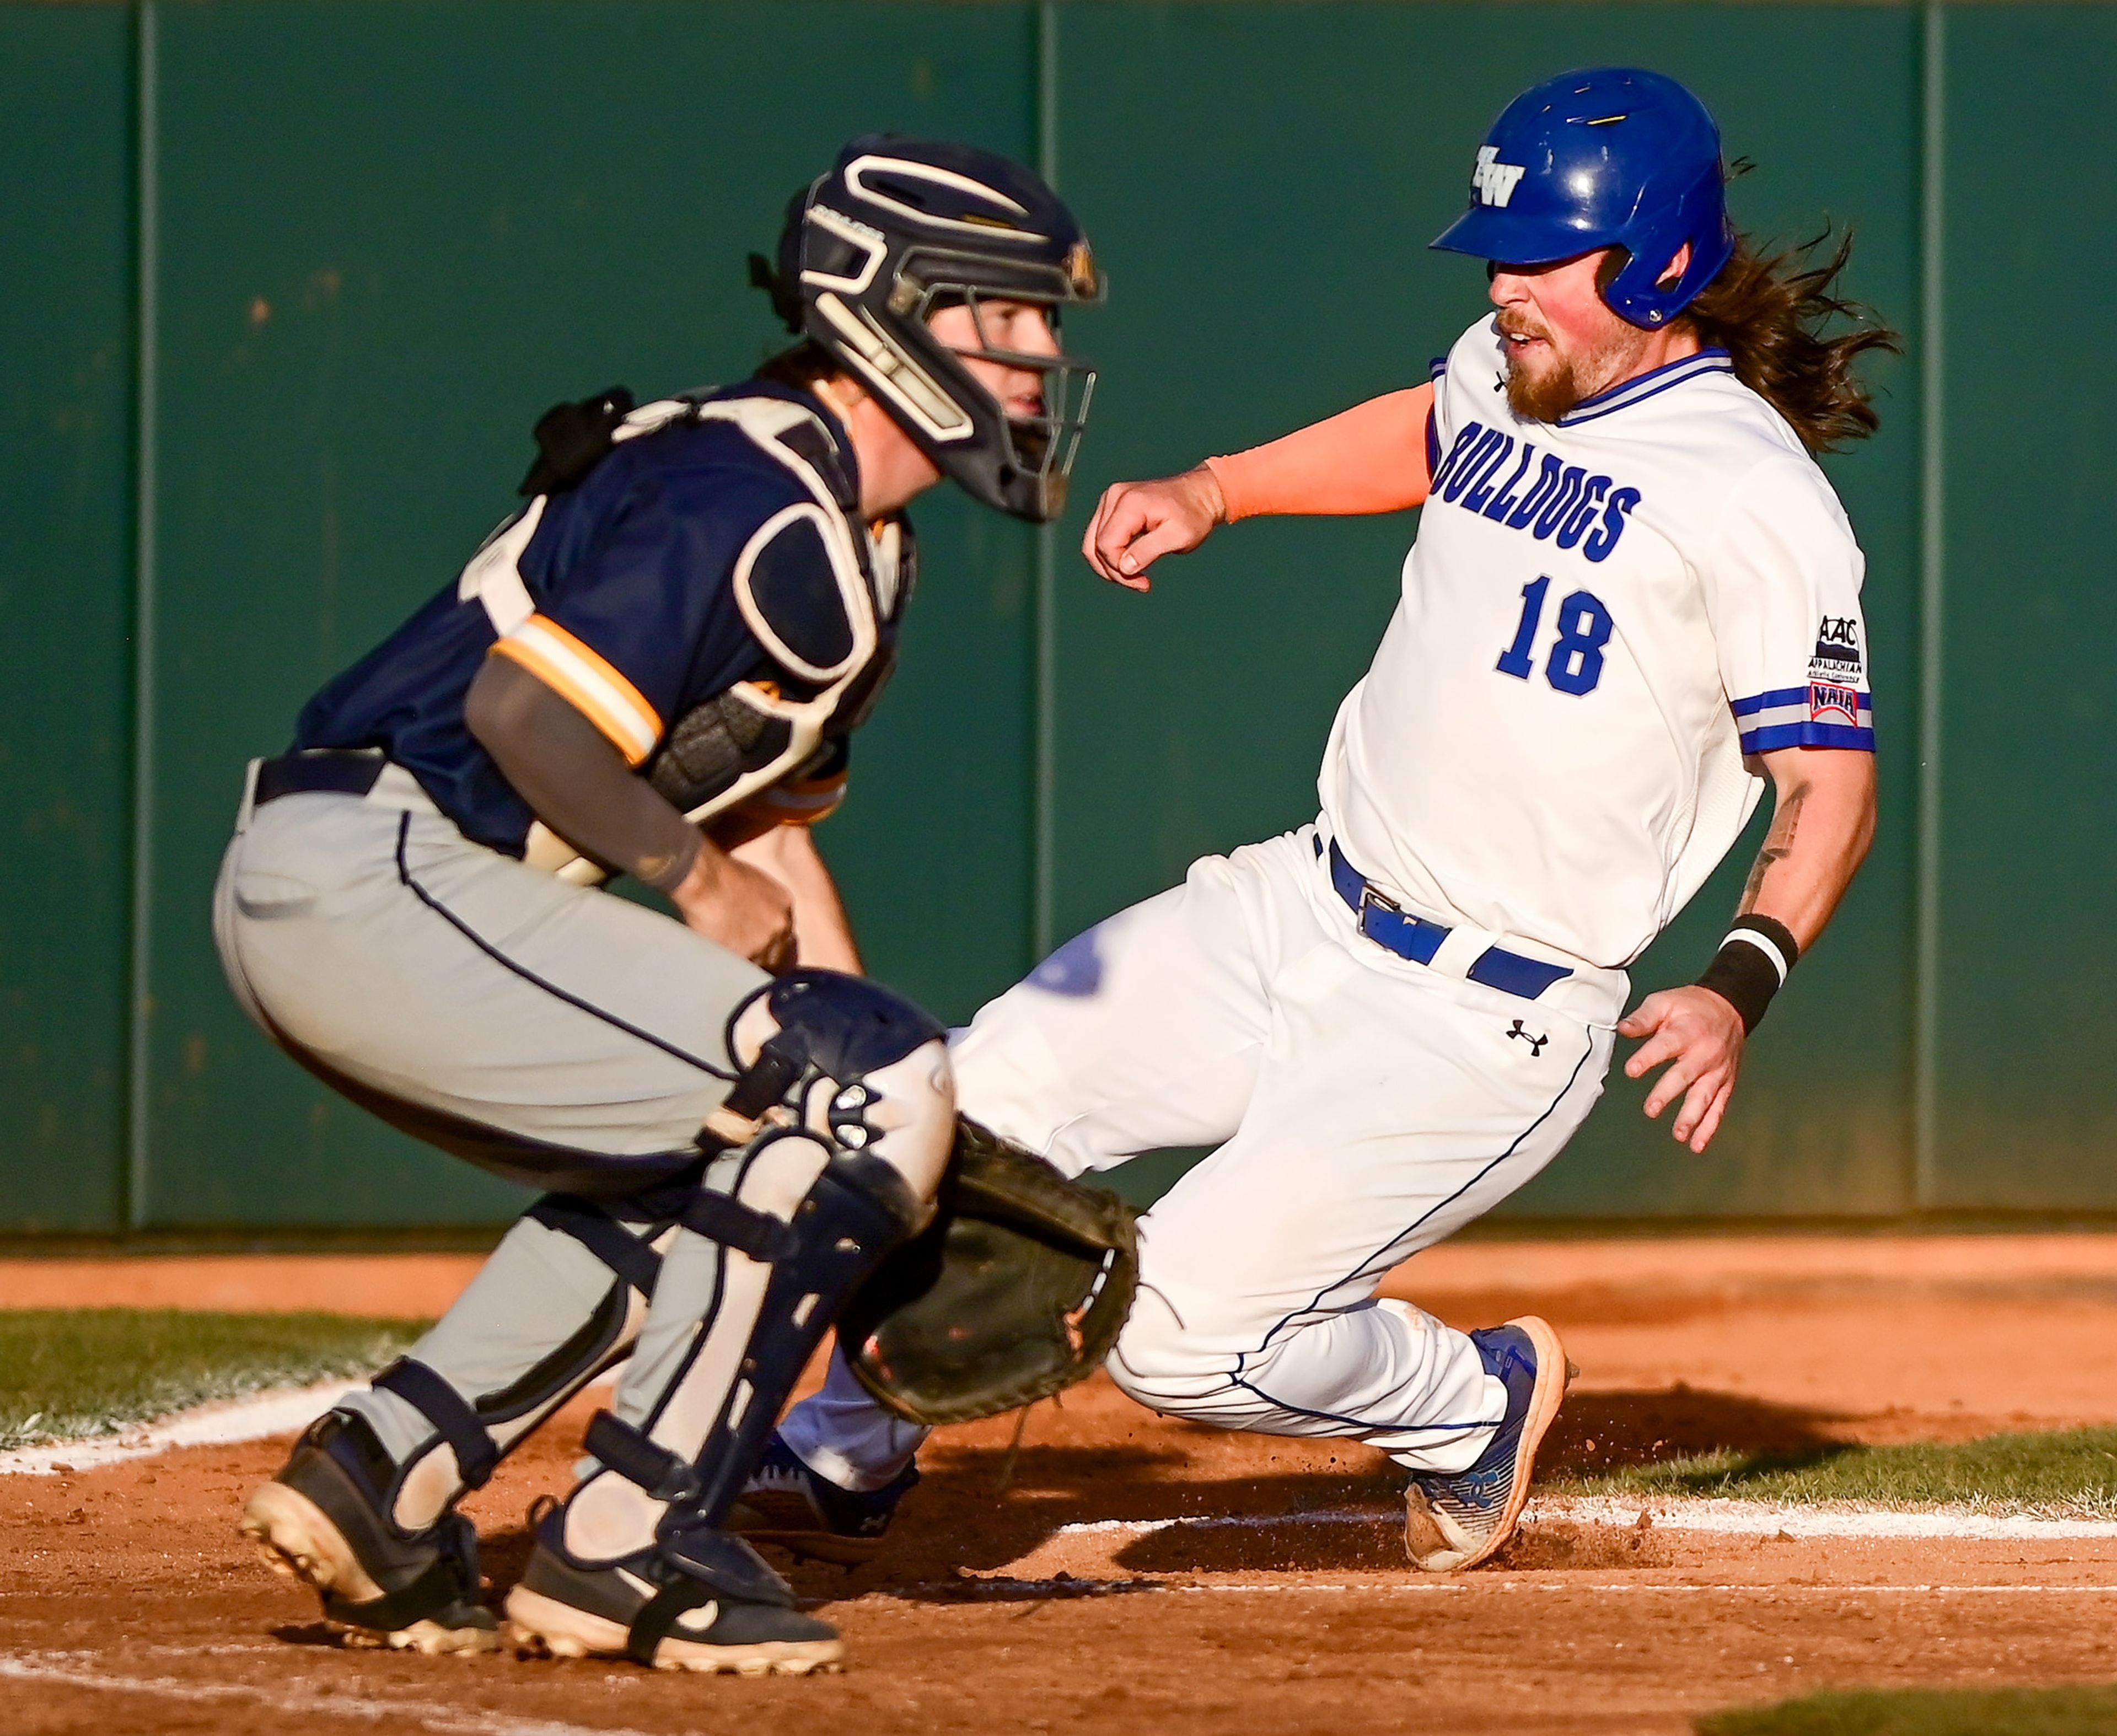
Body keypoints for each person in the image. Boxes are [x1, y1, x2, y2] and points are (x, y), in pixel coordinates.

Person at [740, 68, 1889, 1577]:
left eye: (1544, 254)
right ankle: (847, 1440)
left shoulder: (1756, 496)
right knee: (953, 1108)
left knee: (1177, 1342)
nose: (1508, 282)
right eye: (1500, 248)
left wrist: (1741, 985)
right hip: (1296, 906)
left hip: (1483, 1023)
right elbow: (1429, 427)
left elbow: (1832, 785)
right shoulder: (1507, 360)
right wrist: (1218, 491)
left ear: (1660, 260)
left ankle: (1473, 1398)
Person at [216, 134, 1105, 1674]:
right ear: (889, 310)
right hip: (375, 873)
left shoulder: (853, 537)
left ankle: (385, 1473)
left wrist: (902, 1134)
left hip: (390, 884)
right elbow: (525, 719)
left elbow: (769, 848)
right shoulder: (749, 490)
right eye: (1004, 316)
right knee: (841, 1092)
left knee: (788, 1124)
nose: (1039, 358)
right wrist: (712, 908)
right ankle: (633, 1538)